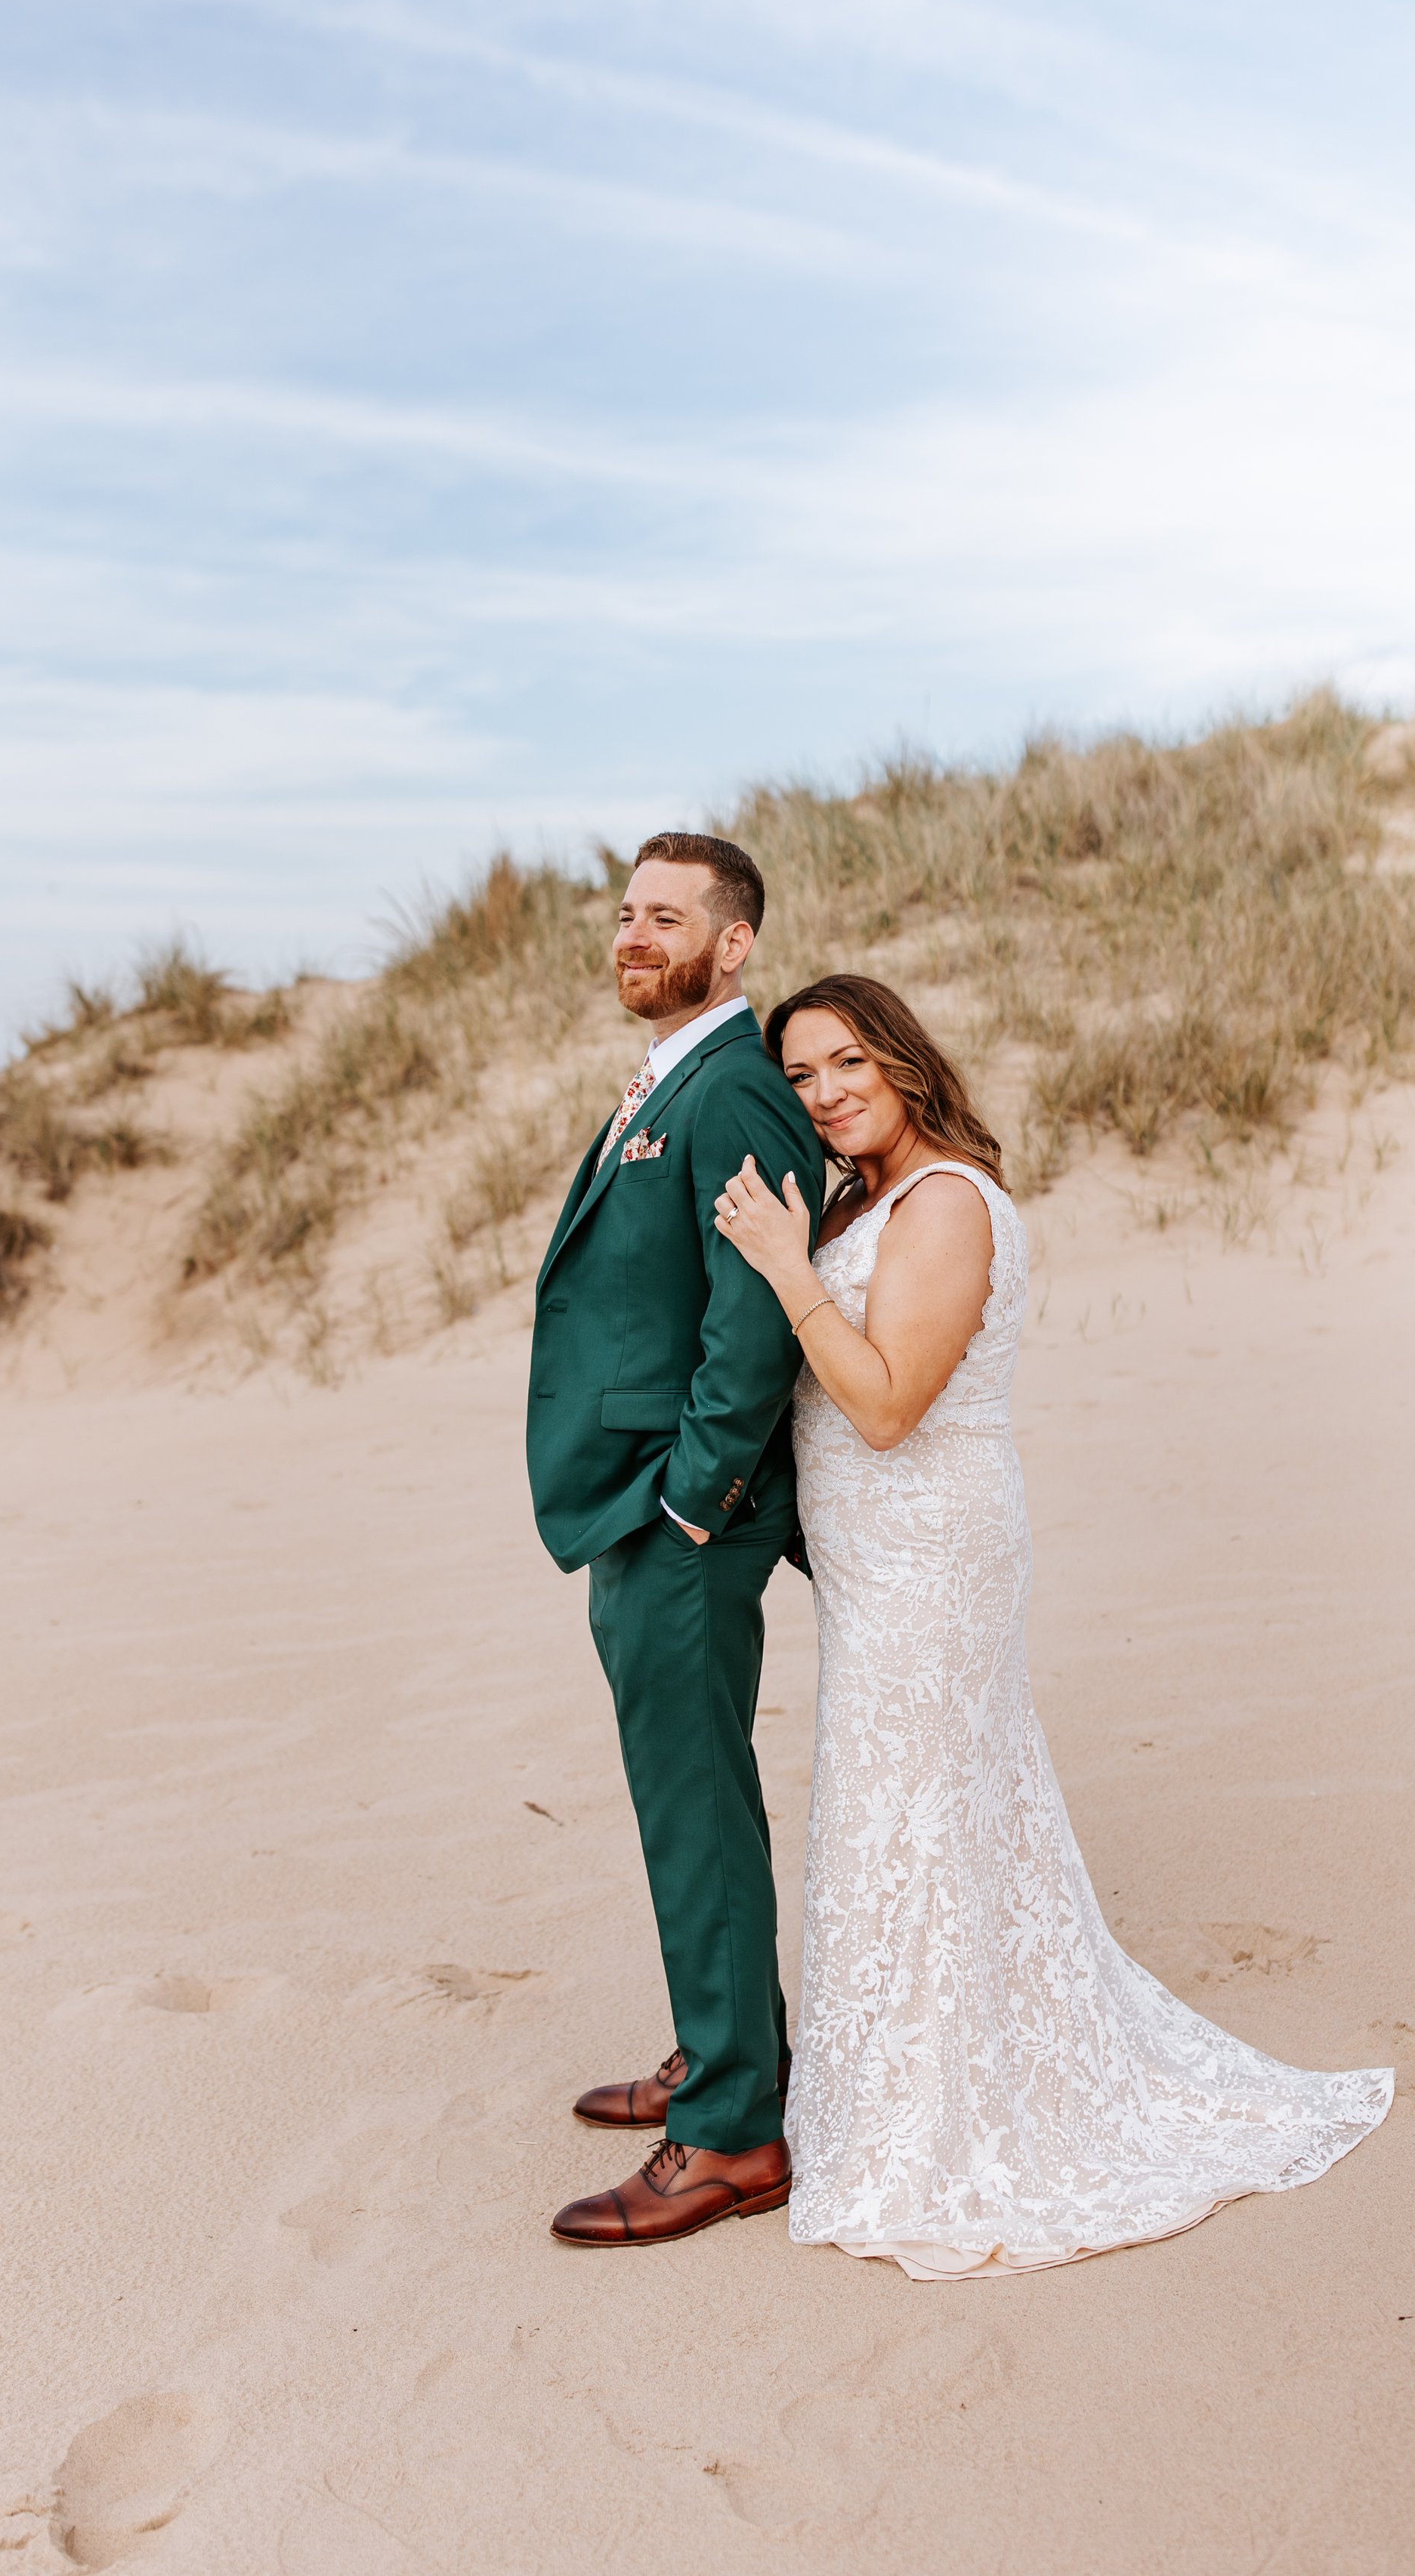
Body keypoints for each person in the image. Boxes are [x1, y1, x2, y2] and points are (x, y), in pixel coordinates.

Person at [714, 973, 1392, 2278]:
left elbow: (890, 1401)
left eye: (846, 1061)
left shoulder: (950, 1202)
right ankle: (904, 2082)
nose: (825, 1093)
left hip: (934, 1548)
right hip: (877, 1560)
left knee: (915, 1803)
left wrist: (789, 1273)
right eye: (799, 1077)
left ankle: (942, 2117)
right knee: (913, 1806)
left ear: (904, 1060)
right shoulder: (873, 1199)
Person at [528, 833, 826, 2248]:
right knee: (683, 1797)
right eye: (625, 913)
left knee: (697, 1807)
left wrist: (695, 1495)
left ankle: (734, 2135)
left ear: (734, 942)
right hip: (638, 1497)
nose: (633, 935)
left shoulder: (738, 1091)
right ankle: (727, 2052)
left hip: (681, 1509)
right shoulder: (675, 1077)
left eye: (667, 916)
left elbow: (753, 1311)